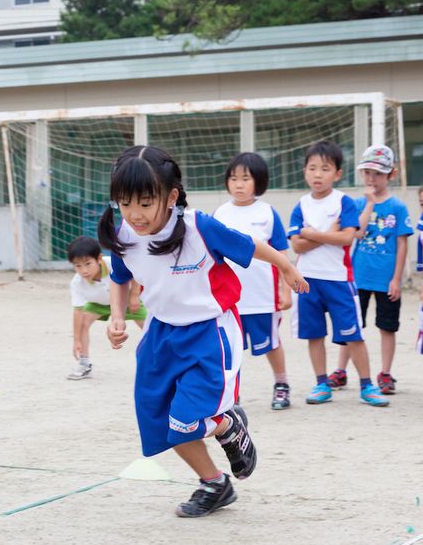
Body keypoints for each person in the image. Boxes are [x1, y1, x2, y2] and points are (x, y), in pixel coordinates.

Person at [98, 145, 308, 518]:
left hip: (209, 334)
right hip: (161, 335)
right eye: (125, 204)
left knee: (185, 419)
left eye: (146, 203)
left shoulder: (198, 227)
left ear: (171, 196)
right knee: (164, 423)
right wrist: (117, 316)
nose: (135, 214)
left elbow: (251, 246)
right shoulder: (125, 234)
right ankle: (214, 483)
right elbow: (119, 277)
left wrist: (286, 267)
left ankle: (228, 423)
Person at [287, 140, 388, 407]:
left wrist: (311, 233)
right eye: (312, 168)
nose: (317, 174)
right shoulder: (300, 205)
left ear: (338, 173)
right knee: (314, 335)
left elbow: (346, 238)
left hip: (339, 281)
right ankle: (321, 383)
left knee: (353, 335)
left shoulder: (343, 202)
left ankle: (367, 386)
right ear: (305, 172)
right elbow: (296, 245)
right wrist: (326, 233)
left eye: (325, 168)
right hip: (307, 281)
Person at [328, 145, 413, 394]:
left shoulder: (398, 207)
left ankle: (385, 373)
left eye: (377, 173)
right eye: (367, 172)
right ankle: (341, 370)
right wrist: (368, 204)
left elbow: (401, 244)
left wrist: (397, 279)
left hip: (386, 279)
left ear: (391, 175)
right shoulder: (356, 203)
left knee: (387, 326)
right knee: (351, 325)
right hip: (358, 276)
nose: (371, 178)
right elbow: (358, 233)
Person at [213, 153, 294, 410]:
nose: (238, 184)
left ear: (258, 182)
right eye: (233, 178)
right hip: (229, 299)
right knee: (229, 349)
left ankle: (281, 385)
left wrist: (285, 291)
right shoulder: (219, 214)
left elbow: (281, 254)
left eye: (245, 179)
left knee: (271, 343)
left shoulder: (268, 213)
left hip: (262, 297)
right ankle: (231, 396)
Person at [66, 235, 146, 380]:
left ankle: (165, 361)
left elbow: (134, 273)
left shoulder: (112, 264)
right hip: (98, 304)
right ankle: (84, 362)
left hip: (126, 301)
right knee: (83, 321)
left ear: (99, 258)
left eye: (87, 263)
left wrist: (134, 295)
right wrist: (76, 340)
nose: (84, 270)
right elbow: (77, 311)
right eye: (78, 266)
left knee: (150, 327)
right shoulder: (77, 283)